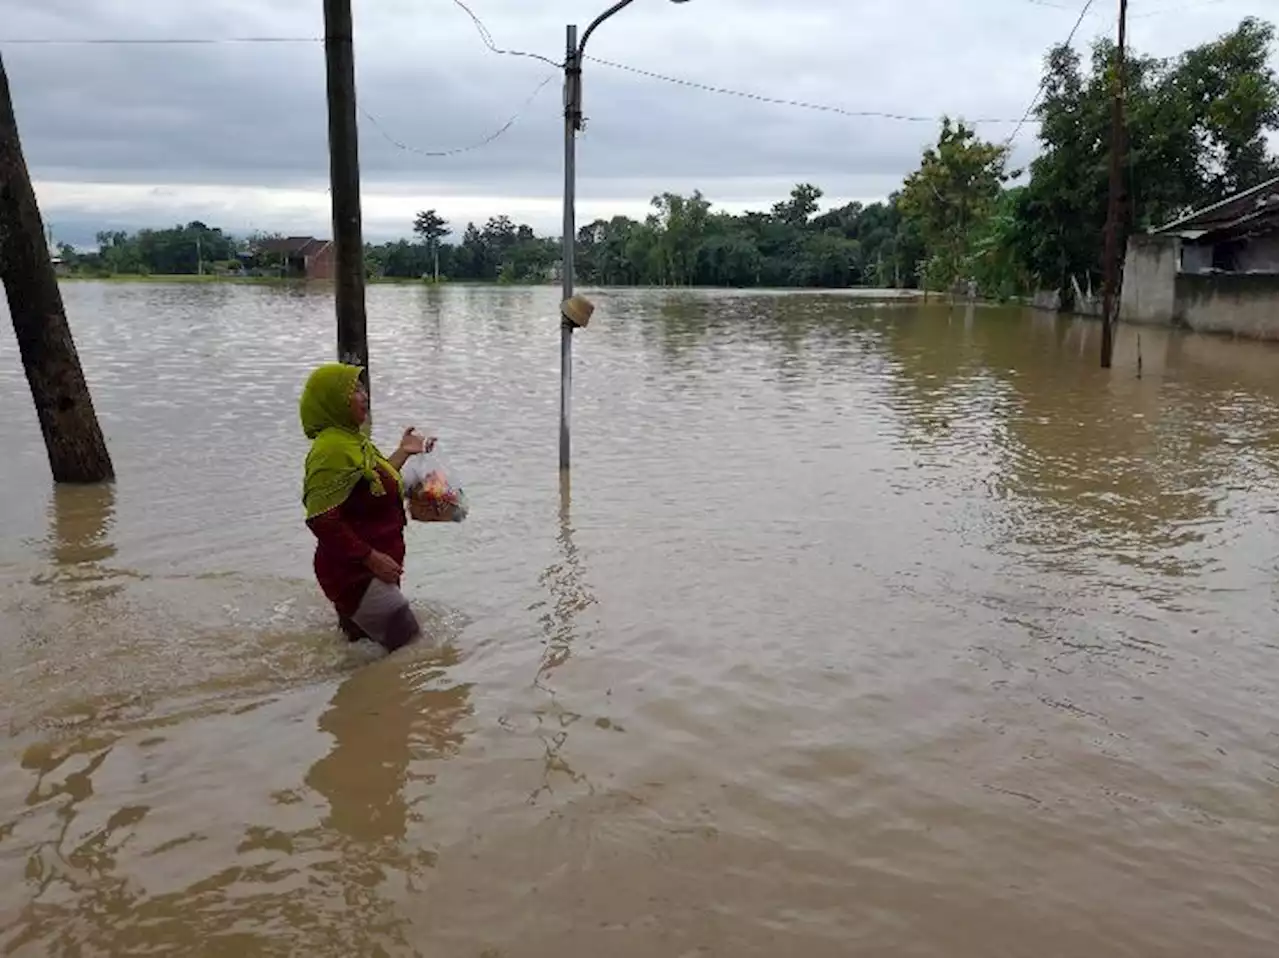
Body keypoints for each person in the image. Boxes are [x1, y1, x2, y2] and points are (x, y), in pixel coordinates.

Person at [300, 363, 432, 652]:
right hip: (356, 573)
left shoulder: (353, 442)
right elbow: (321, 519)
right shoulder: (331, 450)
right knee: (415, 652)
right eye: (354, 390)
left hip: (370, 569)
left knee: (365, 655)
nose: (364, 396)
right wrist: (371, 558)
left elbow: (372, 484)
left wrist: (403, 452)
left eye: (363, 388)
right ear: (333, 401)